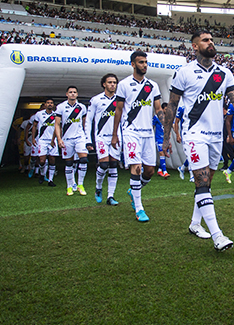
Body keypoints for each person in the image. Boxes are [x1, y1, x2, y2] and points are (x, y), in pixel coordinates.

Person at [162, 30, 234, 251]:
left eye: (212, 40)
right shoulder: (184, 72)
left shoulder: (224, 73)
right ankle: (218, 236)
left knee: (206, 183)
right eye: (206, 40)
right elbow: (172, 107)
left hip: (216, 136)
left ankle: (195, 224)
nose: (211, 43)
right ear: (195, 46)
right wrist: (167, 138)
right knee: (202, 182)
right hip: (195, 134)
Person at [111, 51, 164, 223]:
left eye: (146, 62)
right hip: (130, 132)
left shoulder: (152, 85)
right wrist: (114, 134)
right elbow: (118, 110)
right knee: (137, 168)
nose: (145, 65)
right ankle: (139, 208)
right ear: (133, 64)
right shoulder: (124, 84)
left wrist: (166, 126)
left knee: (149, 171)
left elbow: (158, 109)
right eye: (141, 62)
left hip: (148, 132)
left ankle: (133, 191)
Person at [85, 73, 120, 205]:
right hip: (101, 137)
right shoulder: (96, 100)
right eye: (110, 82)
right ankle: (98, 187)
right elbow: (88, 120)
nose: (112, 85)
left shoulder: (120, 100)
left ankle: (110, 196)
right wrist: (88, 140)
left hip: (116, 138)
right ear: (104, 84)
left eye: (114, 82)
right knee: (104, 164)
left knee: (113, 165)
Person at [55, 86, 89, 196]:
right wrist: (59, 138)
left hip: (80, 137)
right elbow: (57, 124)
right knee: (69, 162)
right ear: (66, 94)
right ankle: (69, 186)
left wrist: (87, 137)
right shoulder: (61, 107)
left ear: (77, 94)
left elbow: (85, 123)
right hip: (67, 138)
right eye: (70, 92)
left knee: (83, 159)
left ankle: (80, 184)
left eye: (74, 92)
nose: (73, 94)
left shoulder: (82, 107)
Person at [30, 98, 59, 187]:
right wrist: (33, 138)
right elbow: (34, 126)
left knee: (52, 159)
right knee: (42, 160)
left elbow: (58, 127)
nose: (50, 104)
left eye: (51, 103)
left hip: (52, 140)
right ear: (45, 104)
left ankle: (50, 180)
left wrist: (57, 138)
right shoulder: (39, 114)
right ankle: (42, 174)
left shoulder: (56, 115)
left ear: (53, 105)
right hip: (42, 140)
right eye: (48, 103)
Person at [174, 105, 194, 183]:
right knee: (189, 154)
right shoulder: (182, 108)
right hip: (186, 134)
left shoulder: (196, 105)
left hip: (195, 133)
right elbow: (176, 122)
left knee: (194, 153)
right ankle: (192, 175)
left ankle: (182, 168)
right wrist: (177, 135)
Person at [153, 102, 170, 179]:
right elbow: (152, 126)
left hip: (165, 139)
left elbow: (170, 127)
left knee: (165, 154)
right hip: (159, 138)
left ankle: (160, 170)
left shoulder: (168, 117)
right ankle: (165, 171)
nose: (166, 111)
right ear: (162, 109)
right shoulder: (156, 117)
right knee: (161, 154)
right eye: (165, 109)